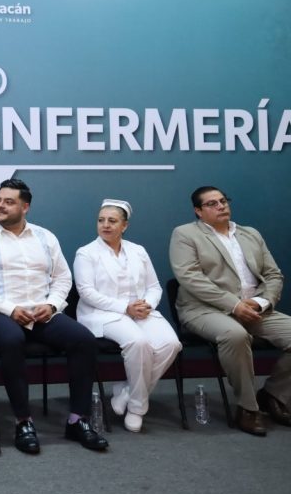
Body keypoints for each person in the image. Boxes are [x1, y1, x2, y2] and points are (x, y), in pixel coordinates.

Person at [0, 178, 107, 453]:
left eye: (9, 202)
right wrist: (9, 309)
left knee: (83, 340)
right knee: (12, 339)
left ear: (25, 207)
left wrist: (51, 305)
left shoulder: (45, 237)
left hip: (41, 312)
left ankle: (78, 419)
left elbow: (62, 278)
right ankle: (23, 421)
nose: (0, 206)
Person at [169, 185, 291, 436]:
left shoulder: (250, 234)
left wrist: (261, 302)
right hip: (204, 310)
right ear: (198, 211)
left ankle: (273, 394)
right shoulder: (185, 234)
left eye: (223, 201)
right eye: (212, 203)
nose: (221, 206)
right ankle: (248, 409)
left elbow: (273, 274)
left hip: (255, 309)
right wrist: (234, 305)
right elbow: (190, 278)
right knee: (235, 335)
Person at [74, 199, 181, 432]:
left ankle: (126, 392)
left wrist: (147, 304)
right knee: (138, 342)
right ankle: (137, 408)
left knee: (171, 344)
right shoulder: (86, 253)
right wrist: (125, 308)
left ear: (124, 226)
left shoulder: (138, 251)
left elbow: (154, 287)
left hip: (140, 311)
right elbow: (86, 293)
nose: (105, 225)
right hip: (103, 313)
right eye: (101, 220)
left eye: (112, 221)